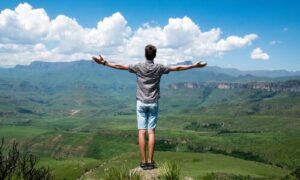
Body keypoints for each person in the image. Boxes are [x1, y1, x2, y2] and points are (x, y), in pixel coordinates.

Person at [92, 44, 207, 170]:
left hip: (141, 102)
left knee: (141, 132)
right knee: (151, 132)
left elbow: (120, 66)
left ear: (145, 54)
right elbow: (177, 68)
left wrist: (105, 63)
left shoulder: (138, 66)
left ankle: (143, 162)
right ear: (155, 55)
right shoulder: (159, 68)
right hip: (153, 103)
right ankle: (151, 162)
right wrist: (194, 65)